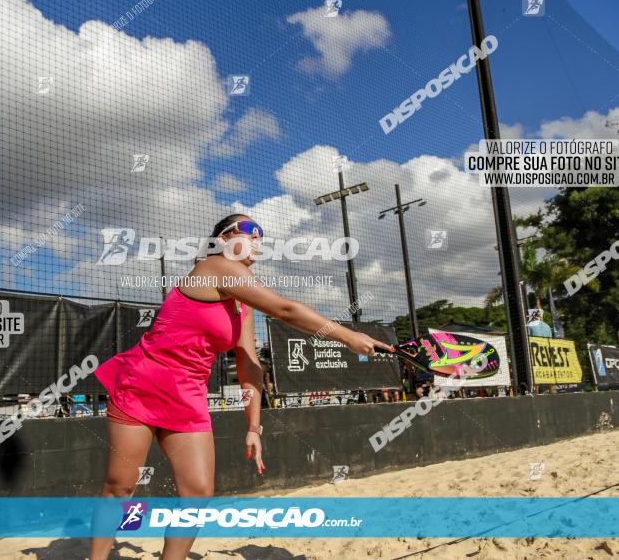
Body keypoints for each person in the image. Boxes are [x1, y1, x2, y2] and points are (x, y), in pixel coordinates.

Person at [89, 214, 392, 560]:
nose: (257, 240)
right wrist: (349, 336)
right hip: (144, 380)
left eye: (261, 235)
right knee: (120, 486)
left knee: (197, 494)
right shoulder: (215, 265)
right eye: (249, 231)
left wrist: (253, 427)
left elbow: (249, 363)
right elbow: (285, 309)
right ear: (222, 237)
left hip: (187, 394)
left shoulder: (242, 301)